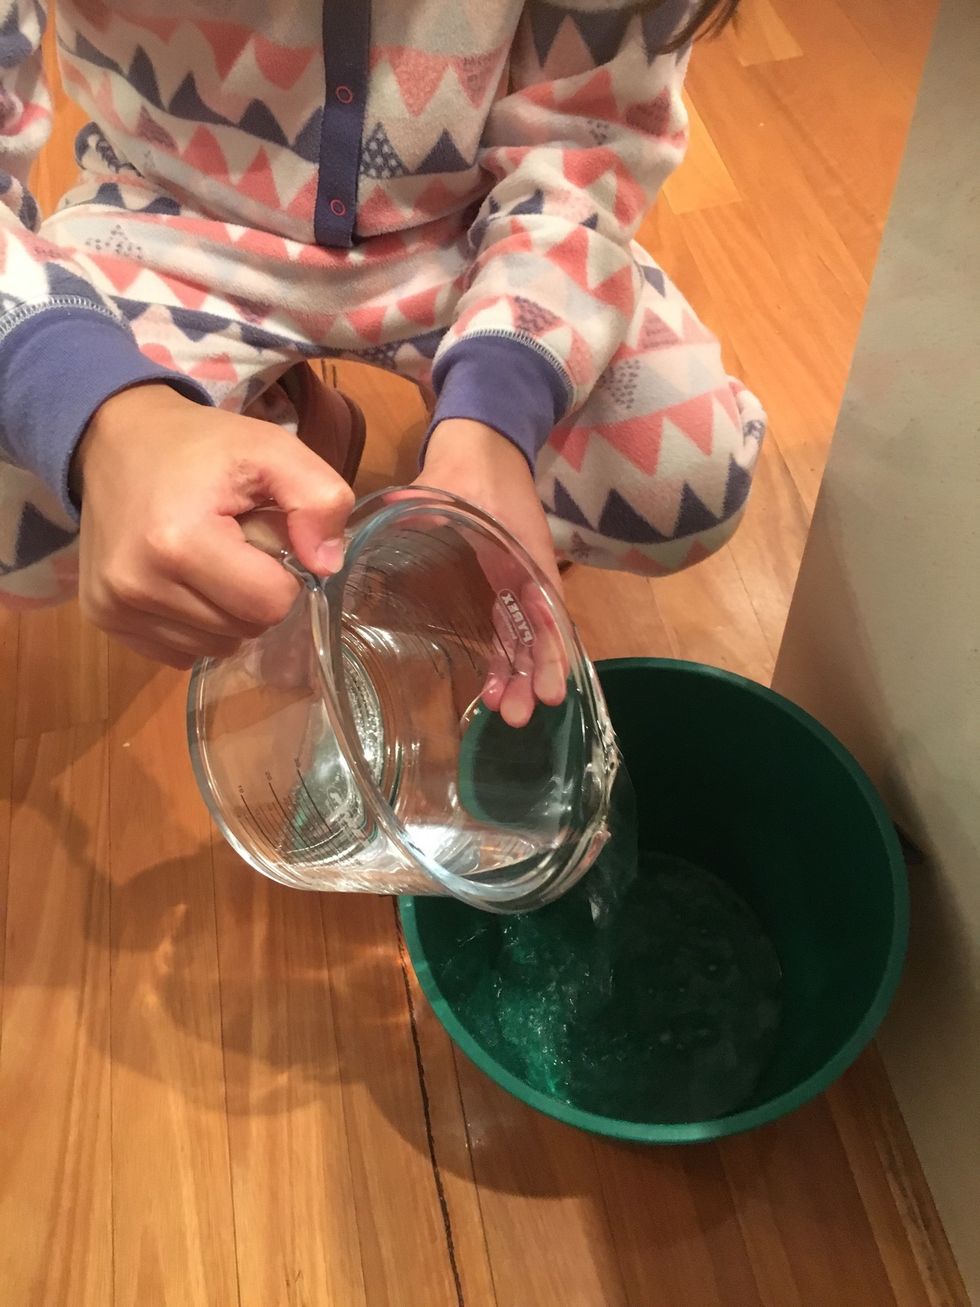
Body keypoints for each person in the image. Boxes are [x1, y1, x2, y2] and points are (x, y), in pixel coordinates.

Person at [0, 0, 763, 670]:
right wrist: (108, 414)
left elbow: (585, 148)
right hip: (161, 214)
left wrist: (497, 416)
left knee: (682, 474)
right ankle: (286, 420)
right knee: (18, 514)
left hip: (470, 228)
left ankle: (321, 431)